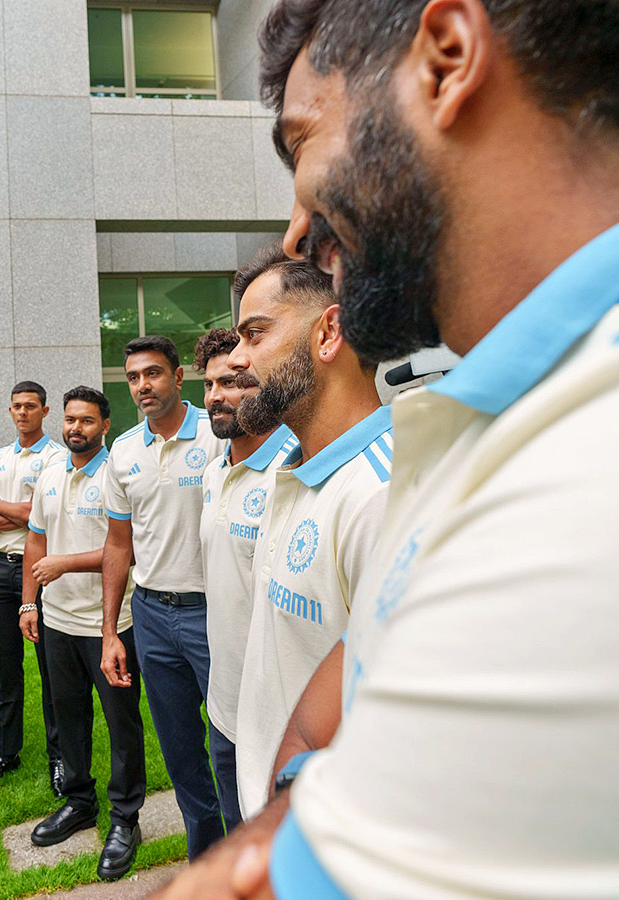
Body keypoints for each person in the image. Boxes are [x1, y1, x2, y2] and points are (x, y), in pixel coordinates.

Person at [156, 2, 619, 897]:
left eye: (302, 143)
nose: (296, 229)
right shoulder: (479, 423)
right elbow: (360, 654)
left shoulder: (580, 484)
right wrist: (302, 795)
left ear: (446, 57)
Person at [225, 242, 390, 818]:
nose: (236, 358)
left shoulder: (384, 493)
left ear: (328, 333)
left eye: (255, 334)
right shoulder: (286, 470)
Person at [99, 335, 233, 859]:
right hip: (152, 615)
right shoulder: (124, 450)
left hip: (214, 611)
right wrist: (112, 630)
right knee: (180, 753)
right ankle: (208, 859)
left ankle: (250, 857)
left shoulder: (218, 435)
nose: (142, 386)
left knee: (230, 746)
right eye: (133, 378)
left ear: (179, 378)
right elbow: (117, 544)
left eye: (153, 374)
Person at [21, 386, 146, 882]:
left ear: (105, 425)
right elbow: (35, 540)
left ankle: (125, 819)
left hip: (110, 624)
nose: (76, 428)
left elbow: (126, 548)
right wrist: (30, 600)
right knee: (67, 717)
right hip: (57, 621)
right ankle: (78, 802)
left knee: (121, 725)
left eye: (87, 421)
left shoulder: (118, 472)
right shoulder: (51, 471)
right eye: (71, 420)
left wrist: (64, 564)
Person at [195, 325, 297, 759]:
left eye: (230, 383)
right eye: (209, 385)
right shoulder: (214, 472)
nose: (215, 396)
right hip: (223, 703)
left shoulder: (292, 471)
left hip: (277, 716)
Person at [0, 381, 64, 793]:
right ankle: (8, 752)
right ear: (9, 411)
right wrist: (21, 513)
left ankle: (59, 756)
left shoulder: (57, 458)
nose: (22, 413)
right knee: (8, 670)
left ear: (44, 411)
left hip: (41, 570)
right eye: (16, 407)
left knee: (51, 669)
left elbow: (38, 514)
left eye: (30, 406)